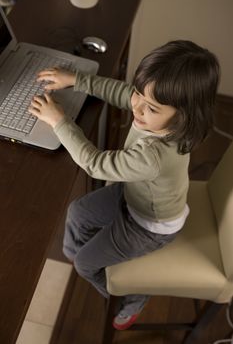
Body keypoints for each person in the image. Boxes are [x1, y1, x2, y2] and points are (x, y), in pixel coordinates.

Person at [29, 40, 220, 330]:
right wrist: (77, 80)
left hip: (148, 225)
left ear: (182, 117)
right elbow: (122, 92)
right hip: (136, 194)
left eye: (151, 107)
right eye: (139, 95)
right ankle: (84, 254)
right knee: (78, 212)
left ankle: (133, 295)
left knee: (84, 265)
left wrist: (59, 121)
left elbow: (95, 163)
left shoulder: (154, 155)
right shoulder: (154, 113)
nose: (137, 108)